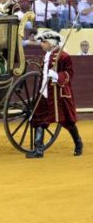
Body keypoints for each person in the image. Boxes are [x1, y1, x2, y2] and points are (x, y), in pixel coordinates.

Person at [27, 29, 83, 158]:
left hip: (59, 94)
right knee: (39, 120)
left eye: (44, 42)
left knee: (68, 122)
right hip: (45, 93)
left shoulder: (64, 56)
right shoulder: (46, 56)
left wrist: (57, 75)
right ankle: (39, 150)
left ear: (51, 43)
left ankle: (78, 143)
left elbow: (69, 74)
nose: (41, 44)